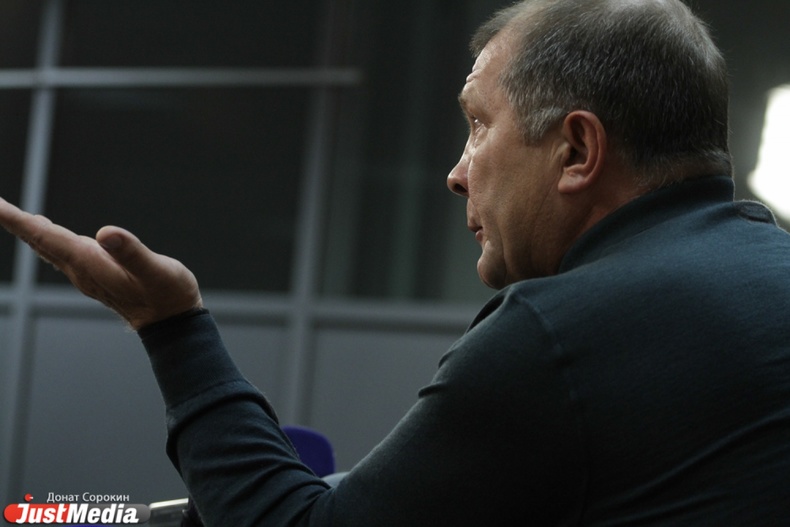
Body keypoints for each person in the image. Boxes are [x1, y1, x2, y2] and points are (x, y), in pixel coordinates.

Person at [2, 0, 789, 524]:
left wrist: (173, 327)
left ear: (577, 149)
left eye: (478, 125)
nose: (456, 173)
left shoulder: (559, 337)